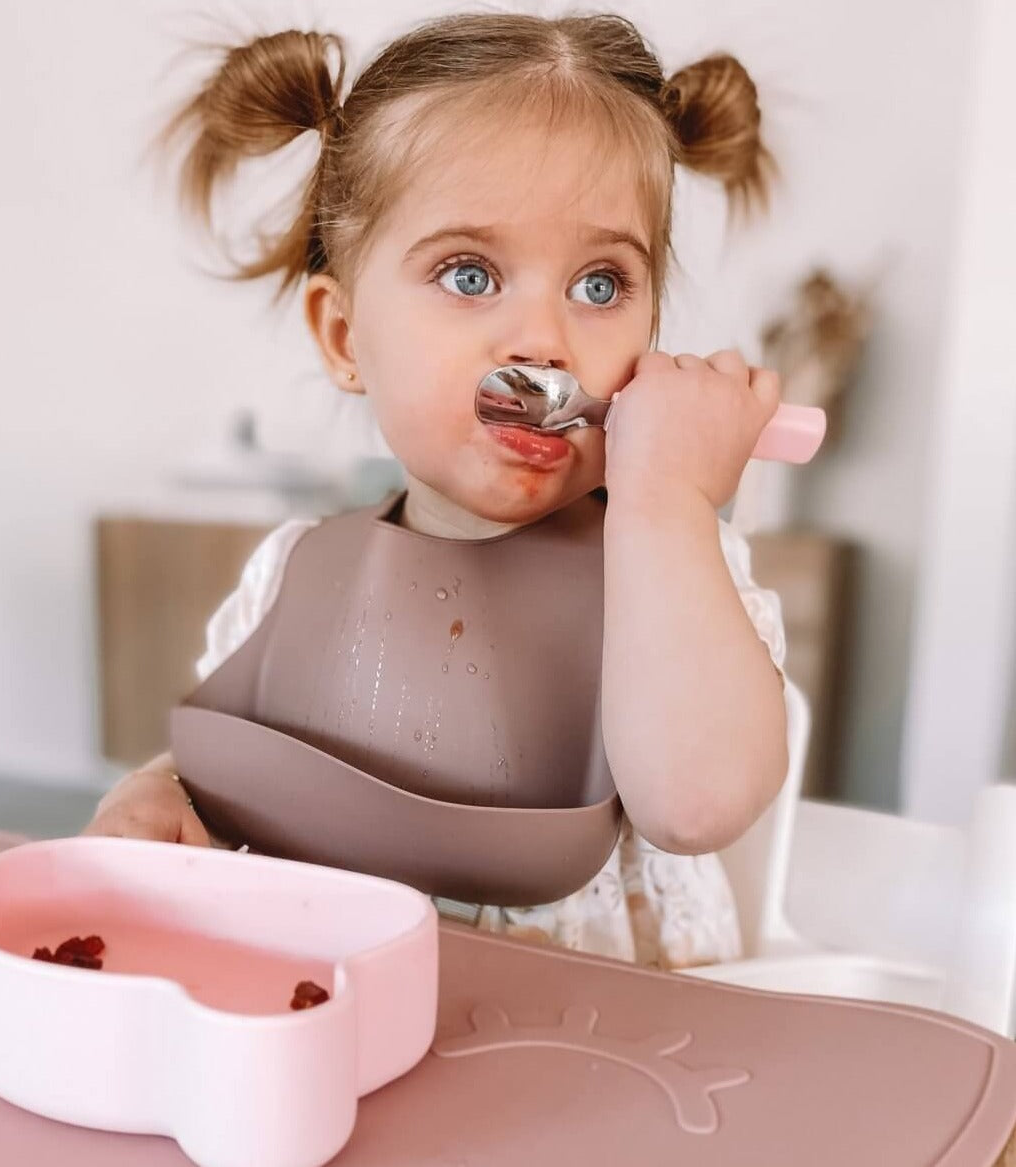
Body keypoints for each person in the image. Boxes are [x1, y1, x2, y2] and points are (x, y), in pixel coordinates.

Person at [85, 11, 790, 970]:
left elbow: (695, 801)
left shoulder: (677, 573)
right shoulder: (300, 572)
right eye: (469, 274)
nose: (543, 339)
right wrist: (163, 789)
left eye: (599, 285)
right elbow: (235, 765)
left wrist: (668, 500)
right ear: (343, 338)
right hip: (338, 1024)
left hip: (607, 1060)